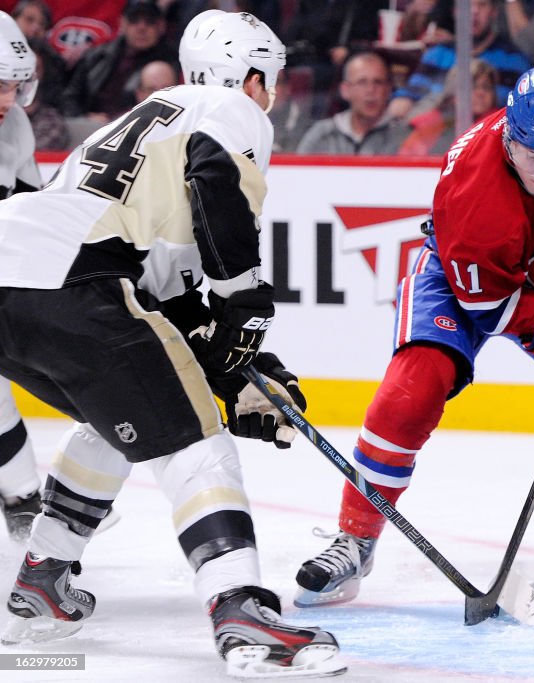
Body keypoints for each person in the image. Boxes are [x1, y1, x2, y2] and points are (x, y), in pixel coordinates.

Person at [0, 10, 345, 677]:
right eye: (267, 79)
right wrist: (244, 310)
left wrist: (241, 364)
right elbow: (220, 191)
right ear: (246, 75)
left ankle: (41, 579)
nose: (271, 94)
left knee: (118, 416)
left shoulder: (144, 126)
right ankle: (242, 611)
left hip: (24, 268)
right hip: (69, 277)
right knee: (195, 437)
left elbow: (164, 303)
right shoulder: (227, 110)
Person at [294, 63, 534, 607]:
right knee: (412, 389)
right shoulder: (476, 198)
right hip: (461, 281)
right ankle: (355, 538)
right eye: (531, 155)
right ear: (509, 139)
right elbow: (491, 306)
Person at [0, 10, 43, 541]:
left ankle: (22, 496)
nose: (7, 99)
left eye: (12, 86)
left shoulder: (14, 126)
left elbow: (31, 209)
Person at [387, 0, 530, 121]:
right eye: (467, 5)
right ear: (456, 11)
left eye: (482, 5)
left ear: (494, 12)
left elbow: (522, 114)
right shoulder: (437, 55)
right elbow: (410, 95)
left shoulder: (514, 60)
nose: (474, 11)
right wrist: (402, 101)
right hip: (437, 139)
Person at [59, 0, 178, 123]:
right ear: (122, 23)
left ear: (161, 26)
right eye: (134, 20)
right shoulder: (97, 55)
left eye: (150, 21)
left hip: (137, 127)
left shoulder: (170, 63)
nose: (142, 28)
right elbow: (70, 98)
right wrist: (84, 117)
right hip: (90, 128)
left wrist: (115, 123)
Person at [296, 50, 410, 155]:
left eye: (378, 82)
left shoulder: (405, 137)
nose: (370, 90)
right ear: (345, 90)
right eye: (362, 82)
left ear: (388, 90)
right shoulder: (322, 134)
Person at [398, 58, 499, 156]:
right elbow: (407, 164)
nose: (481, 93)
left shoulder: (503, 129)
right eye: (473, 87)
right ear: (454, 93)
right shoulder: (429, 125)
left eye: (486, 87)